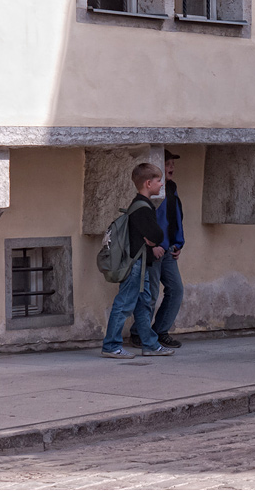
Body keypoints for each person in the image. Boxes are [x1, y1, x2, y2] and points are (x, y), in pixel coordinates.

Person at [101, 163, 174, 358]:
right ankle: (111, 346)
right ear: (148, 183)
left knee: (143, 305)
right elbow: (157, 234)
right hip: (135, 266)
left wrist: (150, 239)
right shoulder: (142, 207)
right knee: (124, 304)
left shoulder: (141, 205)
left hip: (141, 265)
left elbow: (151, 237)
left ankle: (150, 344)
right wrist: (152, 239)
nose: (161, 184)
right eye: (159, 181)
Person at [130, 150, 187, 350]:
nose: (171, 167)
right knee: (151, 292)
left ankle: (160, 330)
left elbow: (176, 217)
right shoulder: (149, 195)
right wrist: (153, 246)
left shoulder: (171, 188)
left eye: (172, 164)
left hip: (169, 249)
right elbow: (149, 224)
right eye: (167, 163)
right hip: (154, 250)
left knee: (176, 289)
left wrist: (178, 243)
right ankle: (139, 333)